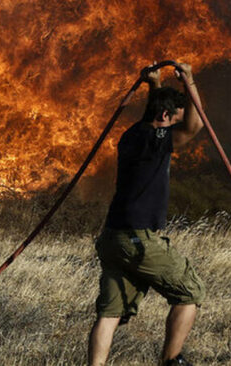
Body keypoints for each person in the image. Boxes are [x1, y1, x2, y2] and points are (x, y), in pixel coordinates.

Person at [87, 62, 206, 366]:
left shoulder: (130, 136)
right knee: (191, 290)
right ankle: (171, 360)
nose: (177, 127)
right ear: (165, 116)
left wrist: (155, 84)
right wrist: (188, 81)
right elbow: (196, 126)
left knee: (109, 313)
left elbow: (152, 119)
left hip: (112, 238)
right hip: (138, 238)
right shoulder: (158, 141)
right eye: (174, 119)